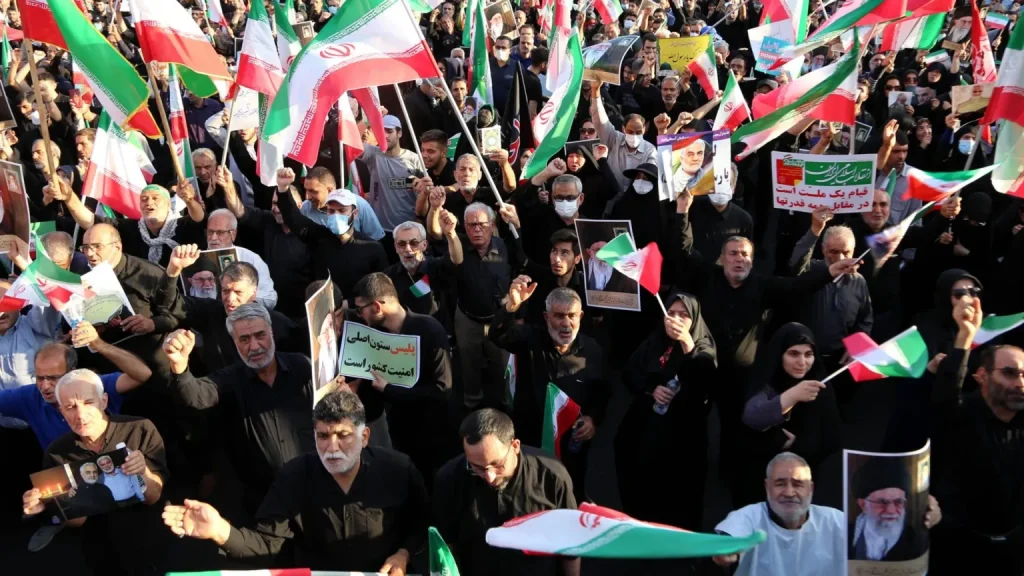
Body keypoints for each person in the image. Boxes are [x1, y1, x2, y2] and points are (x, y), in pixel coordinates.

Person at [161, 390, 428, 573]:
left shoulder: (398, 470)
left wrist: (404, 553)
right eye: (323, 436)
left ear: (365, 436)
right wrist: (219, 530)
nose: (332, 447)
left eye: (343, 435)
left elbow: (422, 522)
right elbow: (268, 544)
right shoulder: (295, 477)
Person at [162, 303, 315, 517]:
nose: (254, 346)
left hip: (313, 490)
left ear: (271, 332)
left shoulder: (302, 367)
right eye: (244, 339)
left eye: (260, 335)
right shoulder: (230, 380)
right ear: (235, 342)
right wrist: (179, 366)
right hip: (265, 502)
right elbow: (195, 395)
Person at [22, 369, 169, 573]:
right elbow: (77, 521)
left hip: (149, 538)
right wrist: (50, 504)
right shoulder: (57, 453)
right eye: (70, 407)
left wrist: (143, 472)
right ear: (62, 412)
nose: (80, 415)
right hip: (100, 549)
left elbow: (154, 496)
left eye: (88, 403)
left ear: (104, 401)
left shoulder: (138, 428)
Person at [930, 297, 1024, 575]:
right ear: (981, 376)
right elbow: (945, 396)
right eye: (1009, 373)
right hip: (958, 549)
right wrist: (965, 336)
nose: (1020, 382)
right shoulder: (962, 415)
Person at [491, 281, 608, 502]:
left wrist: (593, 419)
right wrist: (511, 307)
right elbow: (497, 335)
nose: (566, 323)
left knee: (572, 489)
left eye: (572, 316)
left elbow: (602, 391)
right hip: (532, 436)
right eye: (559, 316)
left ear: (581, 316)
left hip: (573, 439)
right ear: (546, 317)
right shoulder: (529, 339)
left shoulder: (593, 350)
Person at [433, 409, 580, 576]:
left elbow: (570, 544)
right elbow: (446, 546)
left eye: (497, 464)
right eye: (477, 467)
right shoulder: (449, 479)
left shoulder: (551, 476)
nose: (490, 477)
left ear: (515, 446)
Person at [615, 291, 717, 530]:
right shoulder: (655, 341)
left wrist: (687, 345)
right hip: (649, 429)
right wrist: (651, 389)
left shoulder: (703, 345)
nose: (676, 320)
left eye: (683, 315)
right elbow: (630, 373)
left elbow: (705, 382)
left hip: (683, 435)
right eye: (670, 313)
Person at [348, 272, 452, 485]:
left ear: (377, 307)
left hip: (430, 435)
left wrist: (390, 390)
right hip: (397, 433)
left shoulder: (429, 330)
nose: (359, 315)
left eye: (361, 309)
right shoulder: (374, 334)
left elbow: (442, 390)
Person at [738, 323, 841, 506]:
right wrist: (792, 396)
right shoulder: (766, 380)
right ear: (779, 355)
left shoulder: (821, 385)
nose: (802, 362)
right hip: (760, 484)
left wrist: (800, 445)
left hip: (804, 480)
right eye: (793, 354)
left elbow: (832, 439)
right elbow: (752, 416)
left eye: (808, 354)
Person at [429, 202, 517, 410]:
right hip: (467, 319)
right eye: (471, 225)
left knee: (502, 367)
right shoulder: (457, 245)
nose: (477, 230)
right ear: (465, 227)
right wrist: (445, 225)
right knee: (469, 366)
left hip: (499, 322)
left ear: (492, 225)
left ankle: (504, 405)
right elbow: (435, 235)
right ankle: (472, 403)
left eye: (482, 224)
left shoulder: (505, 247)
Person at [0, 331, 150, 451]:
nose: (45, 386)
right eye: (40, 378)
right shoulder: (30, 397)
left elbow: (142, 374)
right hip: (68, 478)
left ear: (71, 372)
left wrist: (99, 345)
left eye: (53, 378)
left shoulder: (92, 384)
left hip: (118, 467)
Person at [713, 452, 847, 575]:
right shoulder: (748, 516)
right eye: (780, 484)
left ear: (810, 488)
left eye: (797, 484)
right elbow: (729, 540)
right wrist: (727, 550)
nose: (789, 493)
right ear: (767, 487)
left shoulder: (836, 521)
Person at [168, 251, 302, 372]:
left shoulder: (280, 325)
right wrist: (173, 270)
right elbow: (171, 302)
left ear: (253, 293)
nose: (230, 299)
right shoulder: (210, 312)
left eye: (238, 292)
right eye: (225, 291)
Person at [217, 168, 313, 319]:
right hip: (269, 310)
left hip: (299, 311)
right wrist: (228, 186)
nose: (277, 208)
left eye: (282, 203)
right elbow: (239, 210)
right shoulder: (268, 221)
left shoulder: (310, 232)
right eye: (274, 203)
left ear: (298, 206)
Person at [57, 180, 206, 268]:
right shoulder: (129, 228)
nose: (149, 203)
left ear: (168, 205)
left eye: (155, 198)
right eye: (144, 199)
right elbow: (89, 221)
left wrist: (189, 201)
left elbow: (198, 218)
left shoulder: (181, 225)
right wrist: (69, 197)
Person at [276, 186, 389, 301]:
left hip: (358, 313)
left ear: (354, 213)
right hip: (325, 310)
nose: (336, 215)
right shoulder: (319, 238)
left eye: (342, 210)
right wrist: (283, 189)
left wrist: (349, 305)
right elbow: (294, 219)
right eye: (331, 211)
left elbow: (381, 290)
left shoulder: (372, 248)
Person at [789, 218, 874, 371]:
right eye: (834, 252)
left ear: (853, 251)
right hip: (804, 361)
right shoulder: (810, 271)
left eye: (846, 252)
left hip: (839, 363)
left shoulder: (859, 282)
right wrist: (815, 229)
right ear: (823, 249)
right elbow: (796, 263)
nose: (840, 258)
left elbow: (864, 320)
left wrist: (857, 346)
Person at [361, 115, 428, 243]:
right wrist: (368, 120)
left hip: (408, 230)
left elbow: (425, 192)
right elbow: (352, 142)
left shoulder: (415, 159)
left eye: (389, 131)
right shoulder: (373, 154)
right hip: (380, 230)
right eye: (381, 131)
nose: (385, 135)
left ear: (400, 133)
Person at [848, 457, 928, 561]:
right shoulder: (846, 534)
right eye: (882, 502)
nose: (891, 510)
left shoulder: (914, 540)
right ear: (863, 504)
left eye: (898, 502)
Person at [383, 218, 462, 319]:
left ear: (424, 245)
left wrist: (451, 233)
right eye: (401, 244)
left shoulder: (437, 266)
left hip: (437, 330)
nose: (407, 249)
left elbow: (456, 259)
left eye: (413, 243)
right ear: (395, 248)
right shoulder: (388, 276)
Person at [204, 208, 278, 310]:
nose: (213, 238)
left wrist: (244, 299)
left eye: (220, 233)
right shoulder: (194, 258)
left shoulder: (251, 259)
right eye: (210, 232)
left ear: (233, 234)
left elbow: (270, 298)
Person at [590, 81, 657, 192]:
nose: (634, 135)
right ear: (623, 129)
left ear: (644, 130)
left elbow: (651, 175)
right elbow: (599, 120)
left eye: (638, 132)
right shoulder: (614, 139)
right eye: (630, 132)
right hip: (611, 198)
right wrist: (595, 91)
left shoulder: (650, 150)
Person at [296, 166, 385, 241]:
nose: (307, 197)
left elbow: (375, 239)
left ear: (330, 190)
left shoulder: (359, 204)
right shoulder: (305, 209)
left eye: (313, 191)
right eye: (306, 190)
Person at [688, 163, 753, 260]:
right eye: (716, 182)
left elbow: (745, 255)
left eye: (727, 183)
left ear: (733, 188)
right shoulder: (691, 207)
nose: (720, 188)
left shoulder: (743, 219)